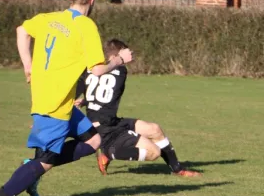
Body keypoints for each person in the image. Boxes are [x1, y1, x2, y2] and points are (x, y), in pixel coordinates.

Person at [0, 0, 133, 196]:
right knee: (46, 162)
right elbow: (97, 70)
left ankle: (35, 164)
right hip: (53, 105)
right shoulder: (86, 26)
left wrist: (27, 65)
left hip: (61, 102)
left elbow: (21, 31)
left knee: (94, 140)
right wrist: (119, 60)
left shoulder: (48, 18)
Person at [74, 39, 201, 177]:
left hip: (109, 121)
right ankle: (109, 152)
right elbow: (108, 88)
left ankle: (178, 169)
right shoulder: (120, 71)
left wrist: (85, 100)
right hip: (105, 129)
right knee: (154, 153)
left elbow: (102, 91)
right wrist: (120, 60)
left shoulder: (92, 70)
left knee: (155, 129)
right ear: (116, 55)